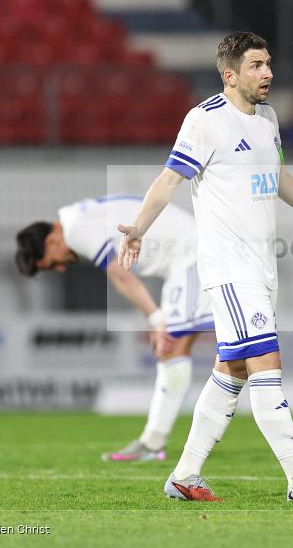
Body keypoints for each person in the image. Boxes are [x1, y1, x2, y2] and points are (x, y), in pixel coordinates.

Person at [116, 31, 293, 502]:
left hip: (261, 267)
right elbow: (169, 179)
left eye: (268, 64)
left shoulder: (267, 118)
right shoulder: (204, 120)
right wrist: (139, 228)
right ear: (229, 74)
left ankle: (184, 476)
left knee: (233, 370)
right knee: (266, 361)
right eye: (255, 66)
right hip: (229, 268)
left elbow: (279, 177)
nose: (267, 73)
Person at [15, 194, 214, 462]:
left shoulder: (75, 230)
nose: (61, 269)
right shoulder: (77, 215)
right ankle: (153, 442)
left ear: (51, 240)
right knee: (177, 349)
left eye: (52, 263)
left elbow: (120, 275)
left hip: (191, 256)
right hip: (189, 255)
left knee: (173, 346)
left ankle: (153, 443)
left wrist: (156, 321)